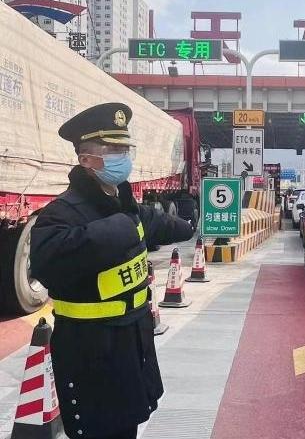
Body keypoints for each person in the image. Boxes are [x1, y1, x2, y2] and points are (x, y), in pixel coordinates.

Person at [30, 102, 194, 439]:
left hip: (131, 343)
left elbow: (159, 223)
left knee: (126, 428)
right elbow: (47, 262)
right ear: (86, 159)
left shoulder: (124, 204)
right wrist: (118, 229)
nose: (123, 158)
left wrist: (187, 224)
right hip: (90, 351)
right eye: (113, 150)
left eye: (125, 150)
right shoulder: (62, 213)